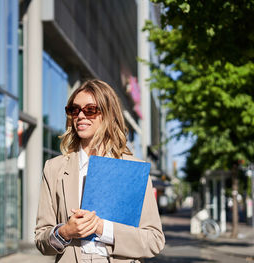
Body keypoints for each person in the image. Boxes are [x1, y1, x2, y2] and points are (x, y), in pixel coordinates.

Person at [35, 79, 165, 263]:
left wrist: (102, 228)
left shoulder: (133, 170)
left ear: (108, 114)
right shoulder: (54, 168)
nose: (80, 115)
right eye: (74, 109)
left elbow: (154, 241)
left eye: (90, 109)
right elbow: (41, 238)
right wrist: (64, 232)